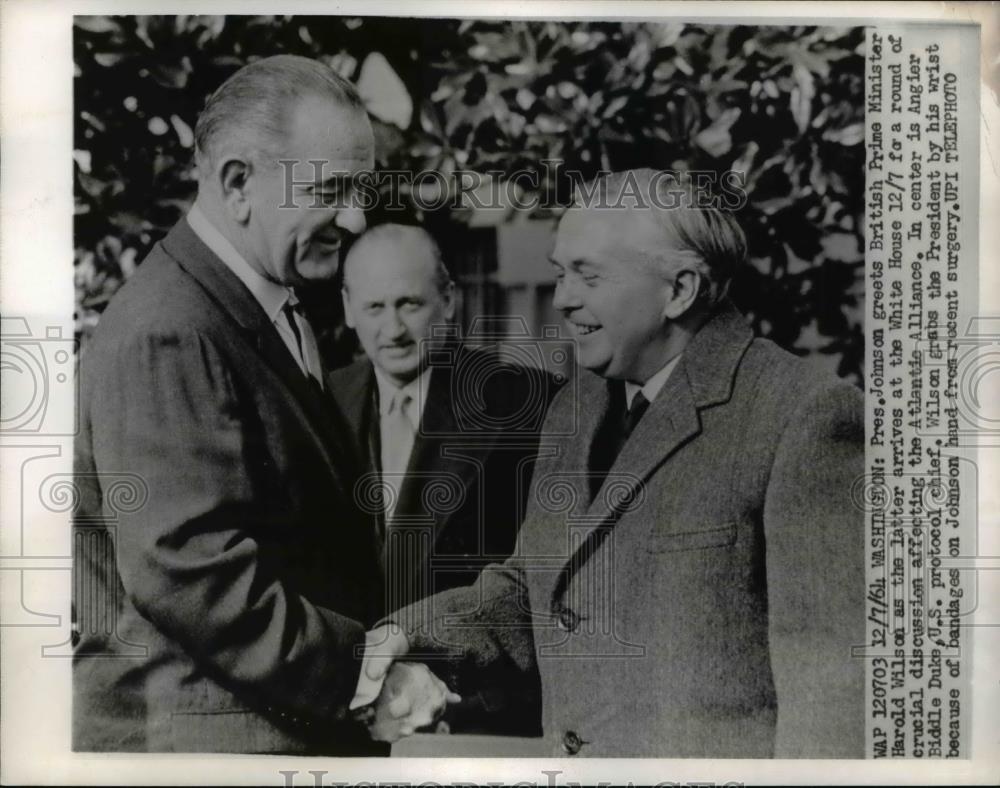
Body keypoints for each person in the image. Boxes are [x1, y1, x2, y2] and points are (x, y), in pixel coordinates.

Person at [357, 169, 866, 757]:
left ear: (679, 289)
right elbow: (533, 587)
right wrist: (407, 633)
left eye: (588, 275)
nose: (563, 298)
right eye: (558, 272)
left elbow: (833, 696)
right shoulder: (578, 404)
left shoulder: (803, 416)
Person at [72, 55, 452, 755]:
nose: (355, 214)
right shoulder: (172, 329)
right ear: (238, 183)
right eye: (333, 188)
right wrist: (369, 678)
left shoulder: (251, 309)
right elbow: (194, 575)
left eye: (359, 188)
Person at [332, 223, 557, 734]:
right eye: (373, 308)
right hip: (352, 716)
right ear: (347, 308)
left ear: (450, 299)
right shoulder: (320, 404)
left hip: (472, 712)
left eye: (410, 304)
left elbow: (535, 579)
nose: (392, 330)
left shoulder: (522, 403)